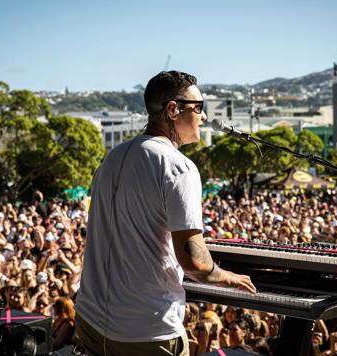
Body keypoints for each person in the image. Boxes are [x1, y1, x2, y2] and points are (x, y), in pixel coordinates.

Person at [74, 71, 256, 356]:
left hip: (91, 320)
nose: (204, 117)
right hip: (145, 330)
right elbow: (195, 262)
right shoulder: (178, 166)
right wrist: (228, 277)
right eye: (198, 107)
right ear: (173, 109)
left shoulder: (112, 157)